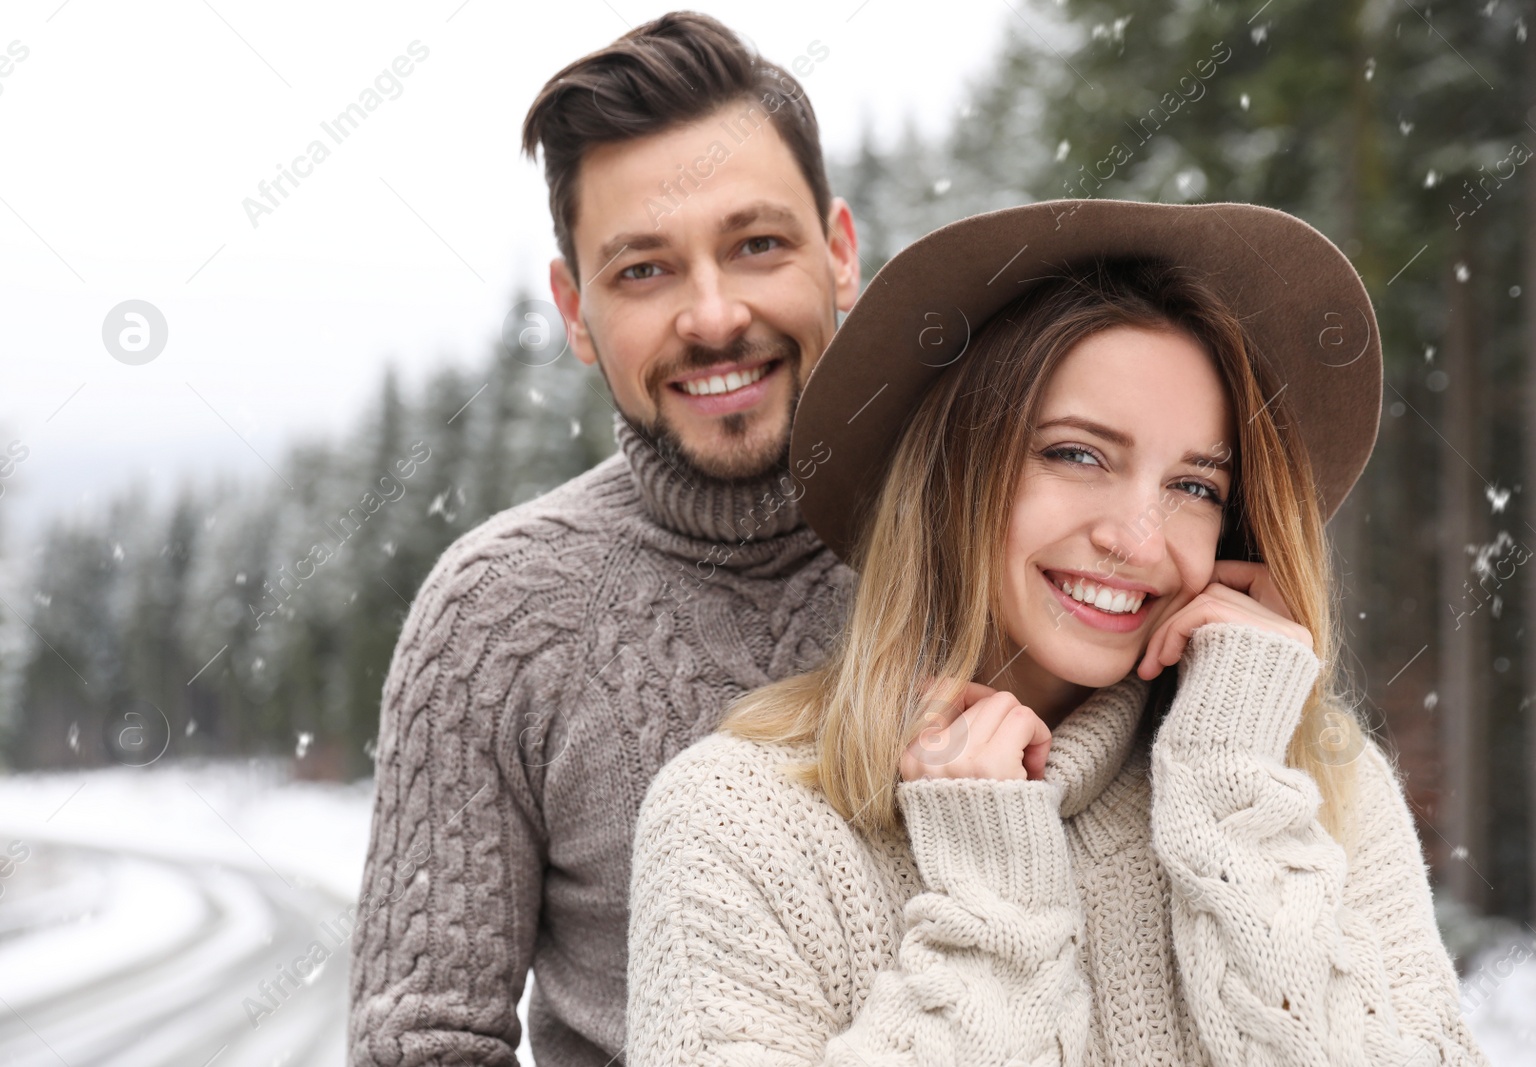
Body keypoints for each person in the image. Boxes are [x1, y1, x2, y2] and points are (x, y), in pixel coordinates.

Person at [626, 199, 1492, 1065]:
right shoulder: (743, 819)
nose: (1139, 540)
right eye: (1079, 454)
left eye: (1196, 486)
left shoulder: (1310, 779)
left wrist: (1233, 793)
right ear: (949, 473)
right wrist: (994, 916)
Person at [347, 12, 860, 1066]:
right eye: (644, 271)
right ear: (575, 311)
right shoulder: (495, 616)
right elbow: (425, 1043)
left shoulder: (990, 545)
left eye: (755, 244)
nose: (713, 316)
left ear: (839, 251)